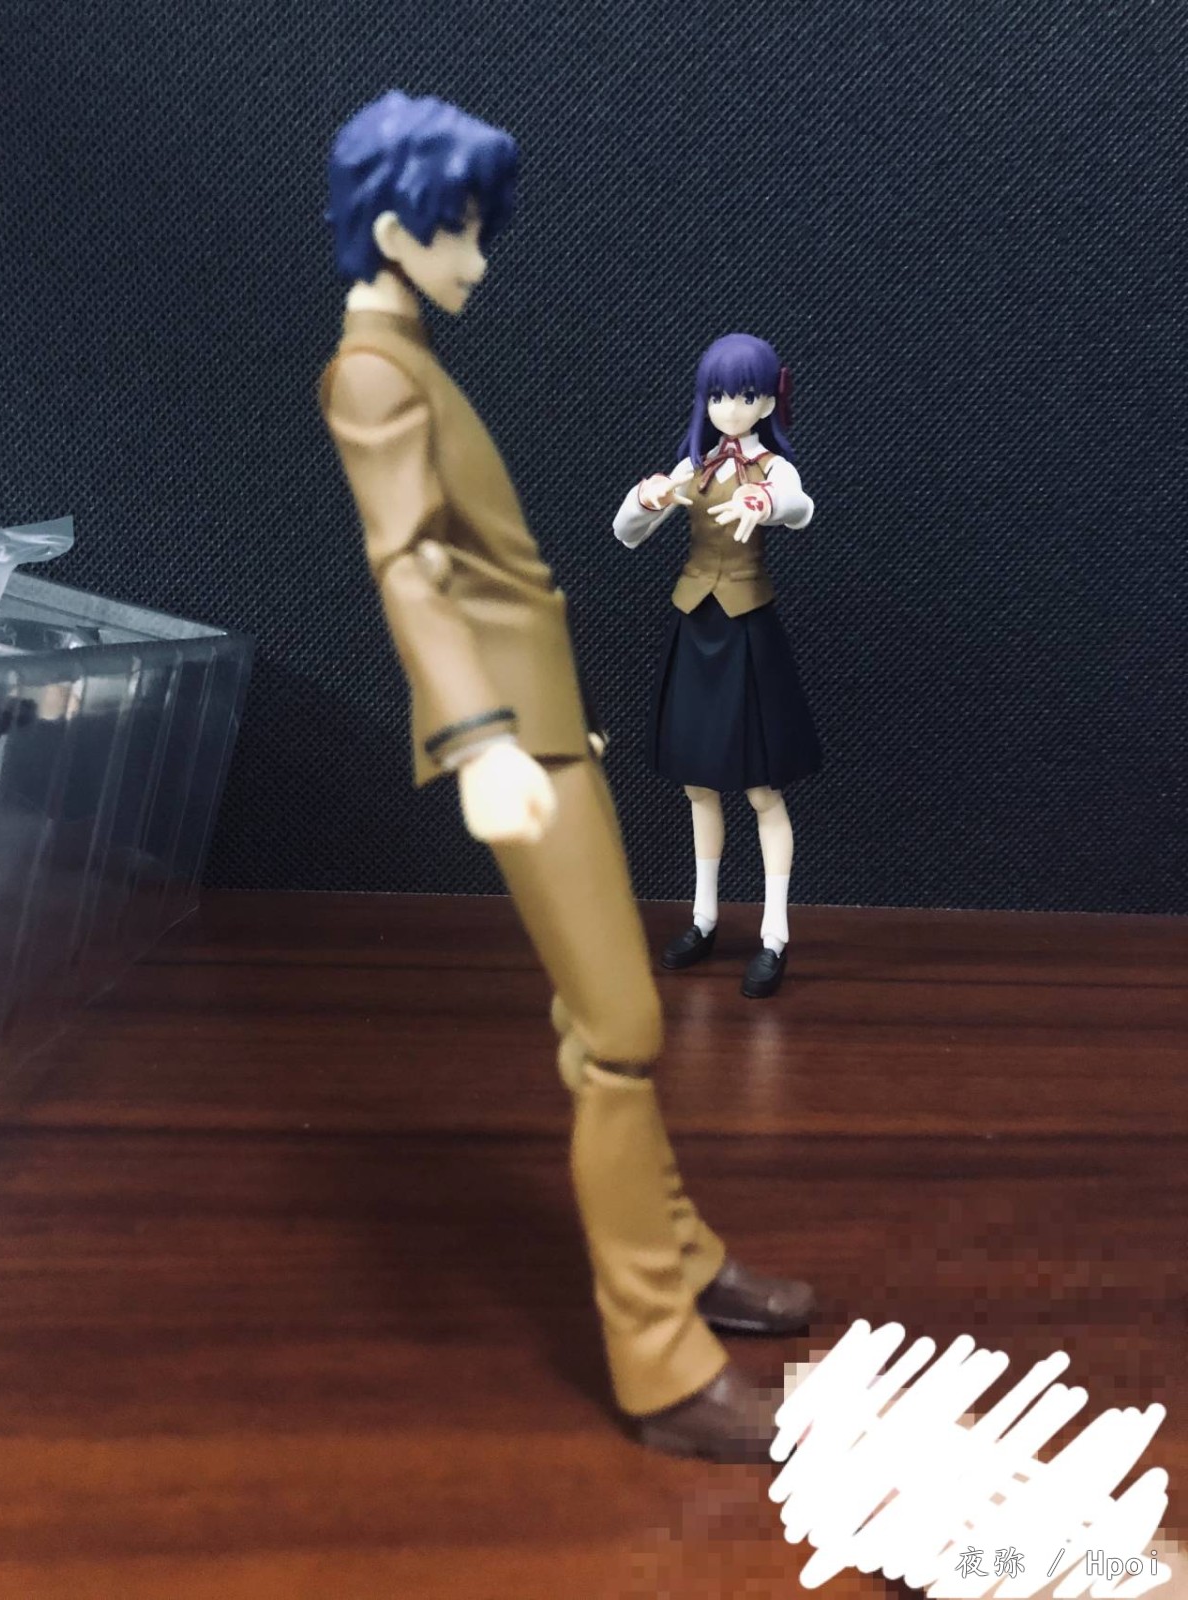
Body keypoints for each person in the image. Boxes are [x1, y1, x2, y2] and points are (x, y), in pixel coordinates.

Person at [318, 91, 814, 1460]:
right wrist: (479, 741)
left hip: (546, 727)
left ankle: (681, 1255)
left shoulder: (410, 361)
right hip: (512, 740)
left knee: (606, 1021)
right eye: (462, 233)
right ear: (396, 226)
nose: (478, 262)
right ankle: (662, 1364)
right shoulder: (373, 377)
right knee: (619, 1033)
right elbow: (408, 569)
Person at [613, 334, 822, 999]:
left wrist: (767, 504)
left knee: (762, 789)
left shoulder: (773, 469)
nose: (732, 408)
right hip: (696, 627)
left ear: (768, 402)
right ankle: (703, 918)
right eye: (720, 395)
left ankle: (773, 934)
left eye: (746, 395)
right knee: (698, 785)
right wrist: (647, 500)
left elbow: (801, 508)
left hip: (748, 630)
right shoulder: (693, 467)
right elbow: (625, 532)